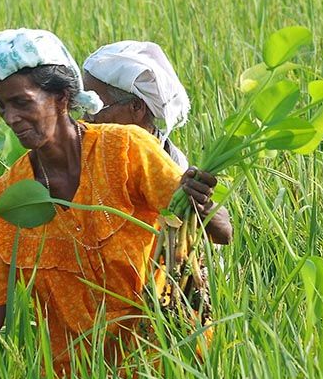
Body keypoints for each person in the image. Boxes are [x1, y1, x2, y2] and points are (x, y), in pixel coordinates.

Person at [0, 28, 222, 375]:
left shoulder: (126, 149)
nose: (10, 118)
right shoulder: (8, 199)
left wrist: (201, 201)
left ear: (61, 98)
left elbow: (221, 231)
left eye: (22, 102)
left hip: (165, 366)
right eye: (1, 106)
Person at [81, 40, 231, 244]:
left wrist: (202, 204)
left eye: (96, 107)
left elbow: (223, 233)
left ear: (136, 107)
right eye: (85, 106)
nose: (87, 118)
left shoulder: (168, 161)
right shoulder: (88, 146)